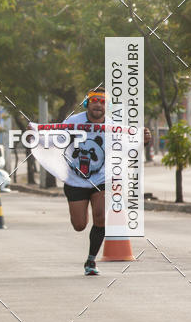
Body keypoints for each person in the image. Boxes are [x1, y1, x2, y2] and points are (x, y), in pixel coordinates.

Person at [61, 90, 150, 276]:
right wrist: (34, 134)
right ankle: (83, 222)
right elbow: (53, 139)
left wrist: (142, 141)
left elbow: (127, 147)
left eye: (102, 102)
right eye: (94, 100)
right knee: (79, 225)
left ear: (106, 107)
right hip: (76, 180)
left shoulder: (113, 126)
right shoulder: (73, 122)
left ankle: (91, 260)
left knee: (101, 217)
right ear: (87, 104)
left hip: (102, 179)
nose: (98, 105)